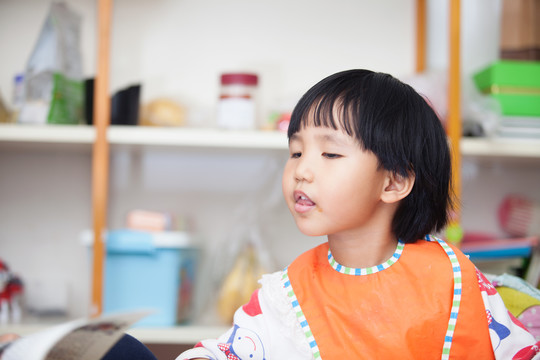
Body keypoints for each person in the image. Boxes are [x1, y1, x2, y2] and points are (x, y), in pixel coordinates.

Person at [177, 69, 540, 360]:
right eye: (296, 152)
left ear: (394, 183)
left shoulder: (453, 280)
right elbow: (232, 349)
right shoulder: (289, 290)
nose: (301, 170)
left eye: (330, 154)